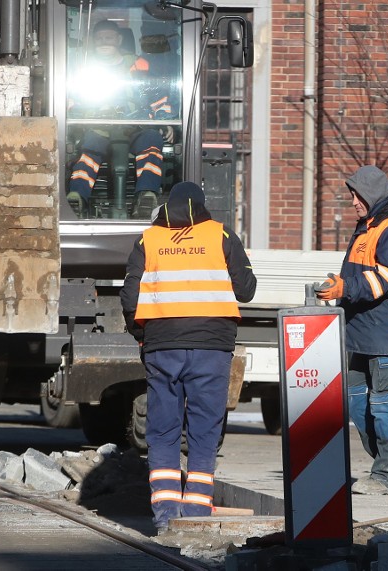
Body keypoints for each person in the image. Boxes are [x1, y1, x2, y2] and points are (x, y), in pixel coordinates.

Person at [120, 181, 256, 533]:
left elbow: (129, 297)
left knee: (162, 430)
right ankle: (196, 516)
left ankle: (165, 515)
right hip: (212, 347)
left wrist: (142, 336)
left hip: (162, 347)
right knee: (204, 430)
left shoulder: (148, 240)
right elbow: (247, 290)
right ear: (202, 205)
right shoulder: (221, 235)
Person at [315, 165, 388, 495]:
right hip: (365, 334)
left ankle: (387, 475)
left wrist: (344, 288)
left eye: (356, 195)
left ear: (371, 194)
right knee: (355, 402)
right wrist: (341, 290)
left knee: (387, 406)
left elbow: (386, 279)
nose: (352, 202)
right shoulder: (370, 227)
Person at [67, 19, 174, 219]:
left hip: (134, 126)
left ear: (118, 39)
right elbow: (72, 100)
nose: (104, 41)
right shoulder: (83, 68)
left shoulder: (137, 64)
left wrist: (163, 119)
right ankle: (77, 198)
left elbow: (156, 94)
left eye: (108, 37)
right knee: (89, 149)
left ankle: (146, 196)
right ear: (93, 41)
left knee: (152, 141)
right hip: (98, 126)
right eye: (99, 38)